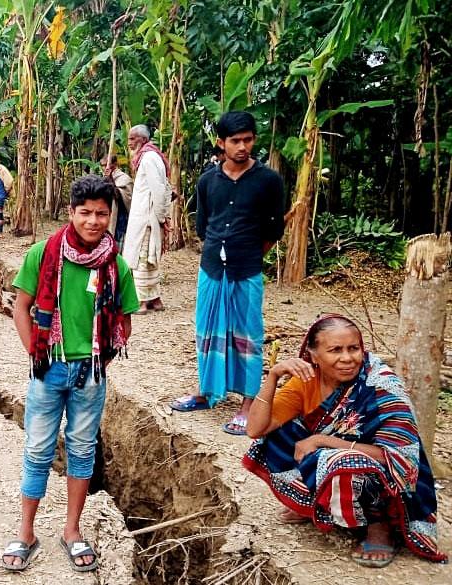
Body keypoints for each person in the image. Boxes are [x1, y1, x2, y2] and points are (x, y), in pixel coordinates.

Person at [1, 175, 139, 573]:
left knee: (82, 451)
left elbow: (123, 324)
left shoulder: (117, 266)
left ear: (110, 216)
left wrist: (99, 363)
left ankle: (72, 531)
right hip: (48, 368)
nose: (94, 221)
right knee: (38, 449)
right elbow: (21, 307)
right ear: (71, 213)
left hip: (91, 373)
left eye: (102, 214)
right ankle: (25, 532)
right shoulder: (43, 254)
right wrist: (37, 352)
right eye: (86, 213)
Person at [244, 314, 446, 568]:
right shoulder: (306, 382)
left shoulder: (380, 385)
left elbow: (396, 456)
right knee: (275, 435)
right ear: (314, 354)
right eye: (335, 350)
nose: (347, 358)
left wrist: (320, 440)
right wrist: (273, 376)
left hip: (380, 472)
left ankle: (378, 527)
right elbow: (255, 429)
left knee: (345, 462)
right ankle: (313, 504)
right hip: (330, 461)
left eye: (354, 348)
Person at [170, 111, 286, 435]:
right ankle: (207, 392)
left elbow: (273, 230)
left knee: (247, 336)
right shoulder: (208, 180)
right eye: (235, 141)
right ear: (221, 143)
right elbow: (204, 227)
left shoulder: (268, 181)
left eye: (248, 139)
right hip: (211, 269)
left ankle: (248, 404)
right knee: (207, 332)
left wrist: (247, 253)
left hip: (246, 270)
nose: (242, 146)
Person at [120, 125, 171, 314]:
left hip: (146, 218)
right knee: (149, 258)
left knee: (142, 258)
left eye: (132, 139)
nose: (129, 143)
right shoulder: (151, 157)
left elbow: (158, 189)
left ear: (141, 139)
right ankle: (155, 299)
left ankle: (141, 302)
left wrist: (161, 216)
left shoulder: (149, 158)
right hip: (147, 216)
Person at [100, 154, 134, 249]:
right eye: (102, 165)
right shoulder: (103, 178)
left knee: (117, 247)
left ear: (114, 164)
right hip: (107, 217)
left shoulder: (125, 179)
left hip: (120, 219)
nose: (104, 168)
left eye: (106, 165)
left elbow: (122, 197)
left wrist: (110, 180)